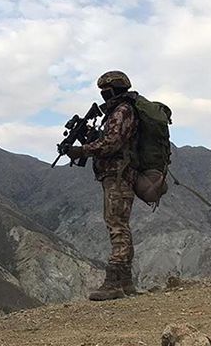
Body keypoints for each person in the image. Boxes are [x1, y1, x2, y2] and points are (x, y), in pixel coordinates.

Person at [65, 71, 139, 301]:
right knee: (120, 225)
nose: (103, 95)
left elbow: (112, 143)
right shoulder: (121, 111)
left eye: (105, 91)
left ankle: (114, 282)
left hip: (119, 175)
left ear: (113, 90)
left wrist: (82, 150)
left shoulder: (122, 111)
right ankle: (125, 282)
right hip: (117, 175)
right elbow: (110, 139)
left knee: (117, 226)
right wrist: (90, 136)